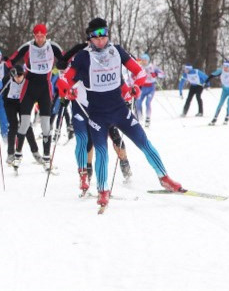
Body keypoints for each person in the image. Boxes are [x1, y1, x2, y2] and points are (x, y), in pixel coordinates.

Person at [60, 18, 182, 208]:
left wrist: (136, 87)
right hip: (97, 114)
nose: (101, 40)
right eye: (95, 36)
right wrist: (67, 90)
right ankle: (103, 190)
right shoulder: (83, 56)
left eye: (104, 34)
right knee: (102, 152)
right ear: (90, 38)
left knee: (144, 142)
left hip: (119, 110)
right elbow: (64, 79)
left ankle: (164, 178)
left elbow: (139, 72)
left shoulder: (117, 51)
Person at [5, 23, 68, 167]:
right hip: (29, 87)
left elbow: (65, 59)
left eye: (42, 36)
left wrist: (65, 65)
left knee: (46, 125)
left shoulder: (53, 47)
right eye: (37, 36)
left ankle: (47, 157)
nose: (39, 39)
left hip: (45, 88)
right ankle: (18, 154)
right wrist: (12, 69)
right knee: (25, 122)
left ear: (46, 35)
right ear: (34, 36)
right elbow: (11, 60)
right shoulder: (27, 47)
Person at [2, 64, 42, 171]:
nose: (18, 78)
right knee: (13, 125)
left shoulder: (27, 79)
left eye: (20, 76)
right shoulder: (8, 79)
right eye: (16, 76)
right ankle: (11, 154)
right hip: (10, 103)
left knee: (27, 126)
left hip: (23, 102)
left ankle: (35, 152)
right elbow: (1, 84)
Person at [135, 53, 165, 127]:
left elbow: (163, 74)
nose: (144, 61)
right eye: (142, 60)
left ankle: (148, 118)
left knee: (148, 103)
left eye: (145, 60)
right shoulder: (139, 67)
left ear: (148, 60)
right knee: (138, 103)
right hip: (142, 88)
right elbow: (133, 74)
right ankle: (139, 118)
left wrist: (156, 74)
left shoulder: (152, 67)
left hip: (151, 88)